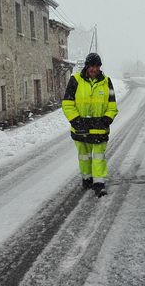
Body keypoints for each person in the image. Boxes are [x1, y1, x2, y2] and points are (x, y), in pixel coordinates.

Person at [62, 53, 118, 198]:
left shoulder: (107, 82)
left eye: (97, 66)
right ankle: (86, 179)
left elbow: (112, 106)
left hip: (100, 129)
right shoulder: (75, 80)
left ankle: (99, 183)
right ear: (87, 66)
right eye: (91, 66)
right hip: (81, 129)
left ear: (100, 67)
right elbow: (67, 104)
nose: (94, 69)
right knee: (84, 156)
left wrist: (106, 119)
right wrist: (76, 120)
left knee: (99, 156)